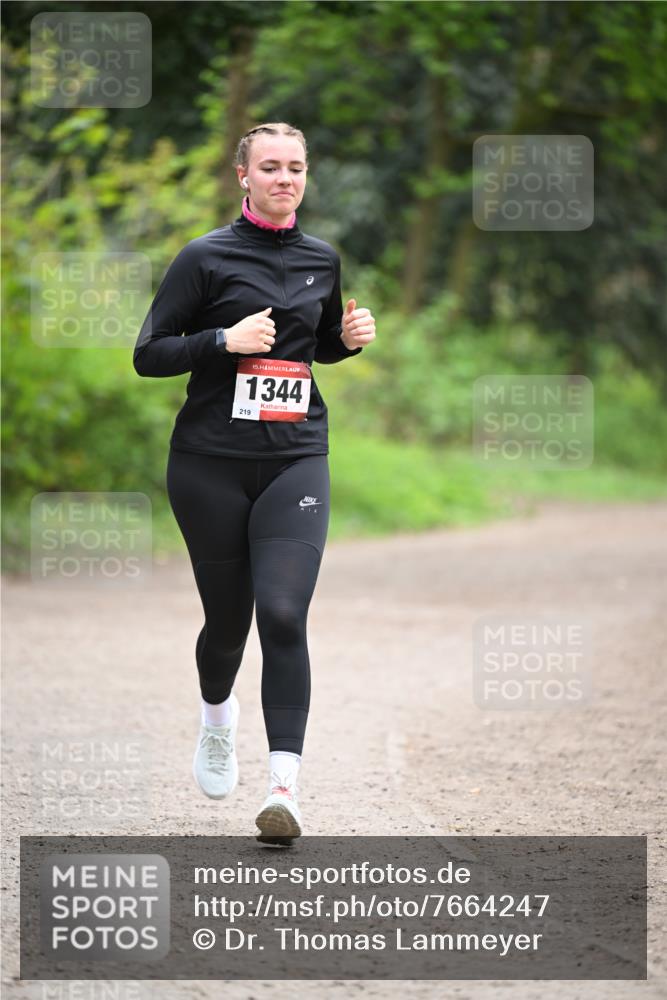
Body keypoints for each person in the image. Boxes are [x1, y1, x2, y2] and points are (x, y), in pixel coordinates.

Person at [133, 122, 376, 842]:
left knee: (281, 612)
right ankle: (216, 718)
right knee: (228, 623)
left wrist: (346, 341)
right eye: (269, 166)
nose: (284, 178)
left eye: (296, 167)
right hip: (208, 463)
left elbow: (315, 346)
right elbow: (149, 354)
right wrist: (221, 342)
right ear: (242, 175)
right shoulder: (203, 258)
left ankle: (283, 788)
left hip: (296, 457)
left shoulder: (320, 258)